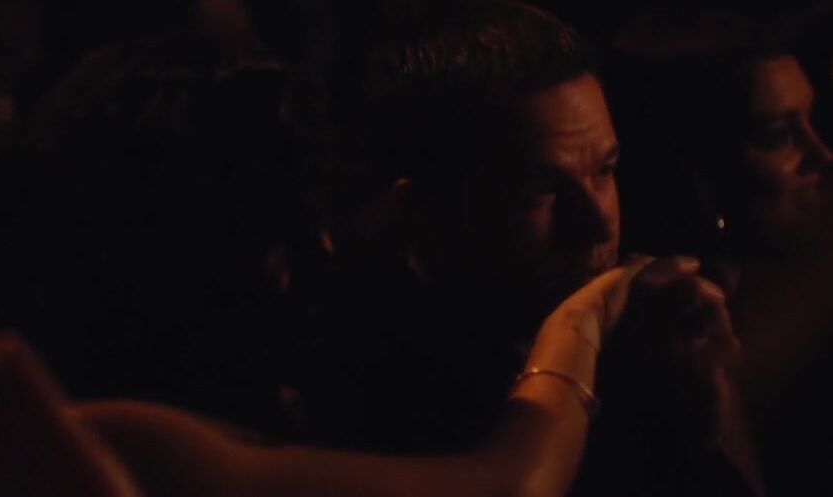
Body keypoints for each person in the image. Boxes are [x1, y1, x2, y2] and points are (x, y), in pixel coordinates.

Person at [69, 2, 738, 496]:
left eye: (605, 169)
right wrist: (580, 327)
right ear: (417, 214)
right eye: (538, 189)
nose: (595, 222)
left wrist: (701, 410)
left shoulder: (640, 346)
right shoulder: (372, 396)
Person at [606, 7, 833, 495]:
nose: (823, 155)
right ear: (701, 171)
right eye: (778, 136)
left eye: (813, 120)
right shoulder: (660, 339)